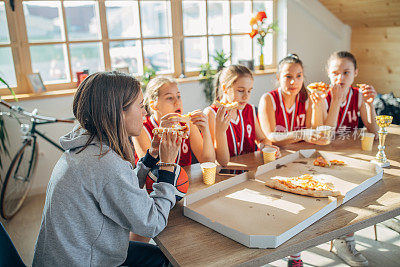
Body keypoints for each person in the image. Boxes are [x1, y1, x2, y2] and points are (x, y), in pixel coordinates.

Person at [33, 71, 182, 266]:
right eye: (140, 105)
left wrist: (151, 156)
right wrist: (168, 166)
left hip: (77, 254)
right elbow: (152, 223)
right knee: (172, 259)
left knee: (158, 256)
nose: (145, 112)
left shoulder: (87, 146)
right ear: (120, 112)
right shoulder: (104, 162)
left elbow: (117, 188)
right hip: (86, 261)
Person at [324, 51, 378, 267]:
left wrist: (371, 104)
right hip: (325, 157)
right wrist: (336, 100)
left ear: (355, 73)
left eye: (346, 72)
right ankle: (342, 238)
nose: (341, 78)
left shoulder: (358, 95)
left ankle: (344, 235)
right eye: (335, 72)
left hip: (351, 157)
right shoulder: (321, 96)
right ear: (328, 73)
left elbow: (373, 132)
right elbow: (325, 137)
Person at [204, 64, 280, 167]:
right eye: (240, 91)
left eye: (249, 91)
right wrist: (220, 131)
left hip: (251, 168)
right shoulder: (211, 113)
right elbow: (222, 161)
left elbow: (262, 139)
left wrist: (266, 147)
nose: (246, 96)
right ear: (225, 89)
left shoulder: (250, 109)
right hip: (227, 175)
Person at [133, 76, 215, 166]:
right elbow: (150, 170)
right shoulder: (141, 129)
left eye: (178, 96)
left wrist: (205, 130)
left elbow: (209, 163)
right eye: (170, 98)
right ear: (153, 105)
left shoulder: (188, 125)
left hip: (185, 179)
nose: (177, 102)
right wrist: (162, 134)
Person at [258, 54, 328, 147]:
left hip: (300, 153)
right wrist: (301, 134)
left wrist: (317, 106)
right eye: (288, 76)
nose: (293, 82)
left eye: (298, 76)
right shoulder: (268, 99)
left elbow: (314, 135)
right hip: (275, 155)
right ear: (278, 78)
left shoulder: (307, 98)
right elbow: (271, 137)